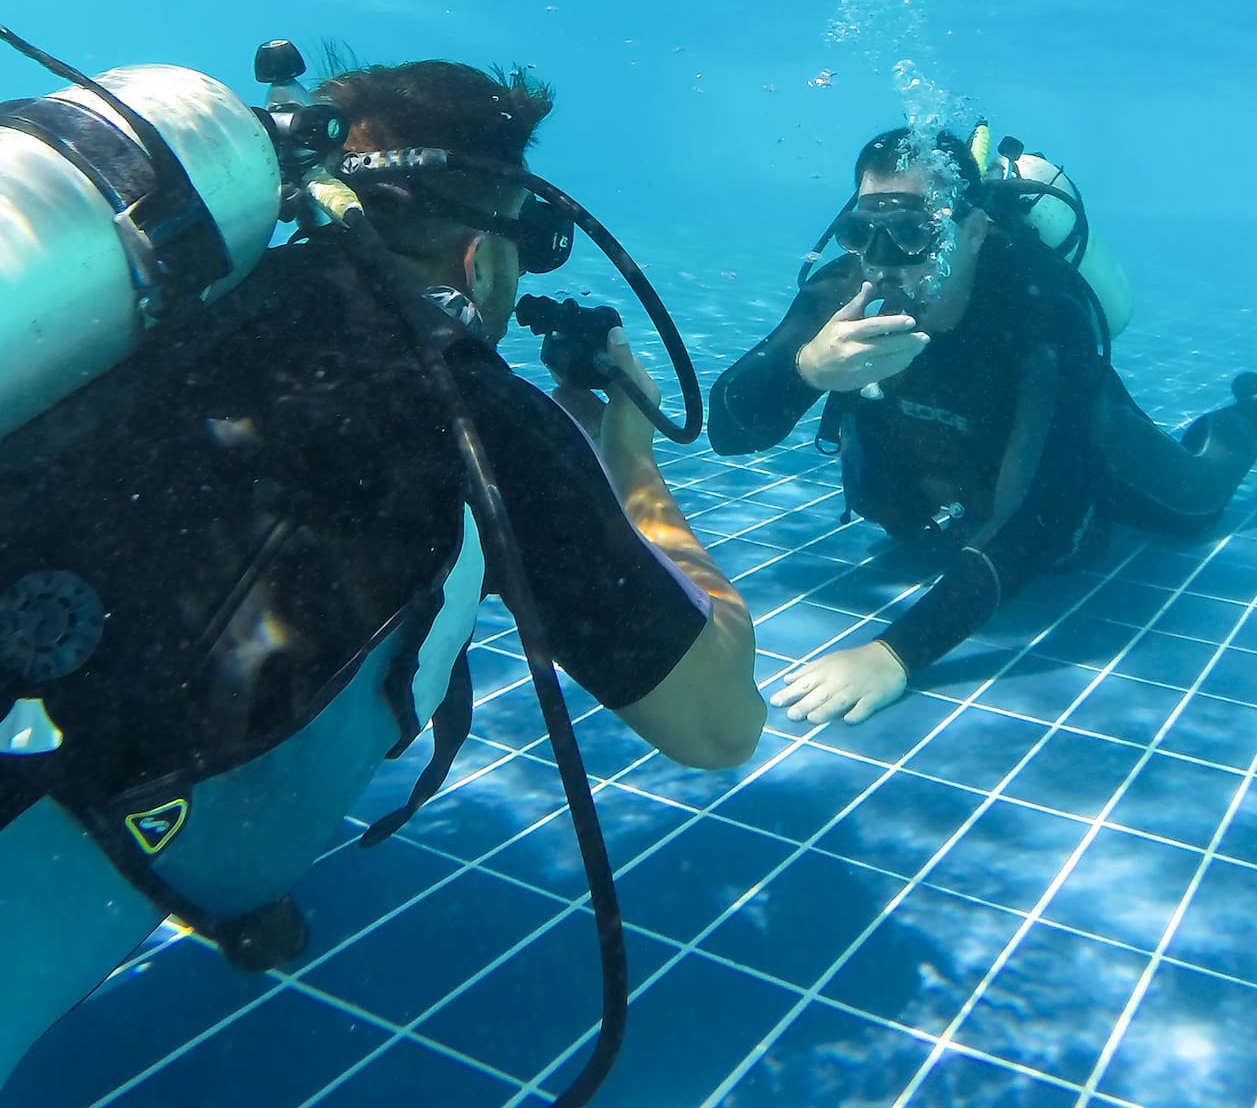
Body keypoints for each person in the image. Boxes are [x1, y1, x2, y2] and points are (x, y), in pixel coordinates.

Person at [0, 55, 763, 1092]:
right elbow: (718, 723)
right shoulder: (472, 416)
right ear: (483, 256)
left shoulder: (159, 324)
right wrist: (625, 451)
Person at [709, 125, 1257, 727]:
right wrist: (805, 369)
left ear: (972, 231)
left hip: (1077, 448)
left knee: (1194, 505)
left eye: (910, 234)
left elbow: (1042, 518)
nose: (882, 265)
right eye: (862, 232)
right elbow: (727, 431)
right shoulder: (846, 294)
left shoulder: (1040, 313)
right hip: (959, 477)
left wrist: (896, 654)